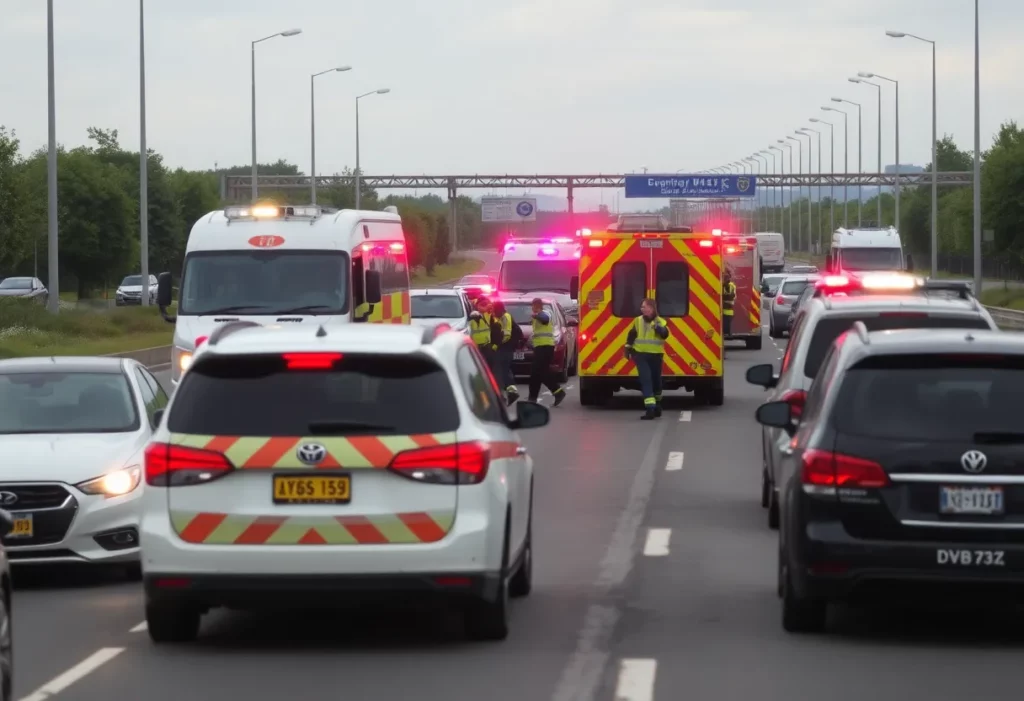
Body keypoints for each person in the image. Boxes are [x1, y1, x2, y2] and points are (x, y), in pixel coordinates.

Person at [624, 297, 669, 420]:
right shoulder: (638, 320)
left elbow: (665, 334)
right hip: (641, 355)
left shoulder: (660, 321)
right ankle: (650, 409)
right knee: (646, 380)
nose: (641, 309)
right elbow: (632, 335)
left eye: (644, 307)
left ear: (651, 308)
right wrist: (627, 348)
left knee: (656, 381)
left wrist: (658, 328)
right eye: (641, 307)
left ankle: (658, 404)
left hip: (656, 355)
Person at [527, 298, 566, 406]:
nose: (532, 308)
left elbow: (545, 319)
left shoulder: (545, 313)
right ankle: (555, 393)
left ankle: (534, 398)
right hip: (540, 347)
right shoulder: (537, 317)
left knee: (538, 373)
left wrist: (536, 315)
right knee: (538, 373)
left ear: (537, 305)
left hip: (546, 347)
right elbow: (538, 332)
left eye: (533, 306)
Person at [492, 300, 520, 405]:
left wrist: (497, 344)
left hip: (505, 347)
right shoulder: (501, 317)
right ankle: (508, 394)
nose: (494, 313)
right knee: (505, 371)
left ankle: (507, 395)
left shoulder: (505, 317)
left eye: (495, 310)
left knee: (501, 371)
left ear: (499, 309)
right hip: (505, 348)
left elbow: (507, 334)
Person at [469, 296, 501, 369]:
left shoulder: (489, 315)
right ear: (477, 305)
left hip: (487, 346)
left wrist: (495, 345)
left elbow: (497, 330)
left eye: (485, 304)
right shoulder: (471, 315)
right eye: (482, 304)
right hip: (475, 347)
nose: (484, 307)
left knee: (488, 368)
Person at [723, 269, 737, 339]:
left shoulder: (730, 285)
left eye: (726, 276)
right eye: (724, 275)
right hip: (721, 311)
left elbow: (731, 297)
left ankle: (727, 332)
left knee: (726, 324)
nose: (725, 277)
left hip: (727, 311)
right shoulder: (720, 283)